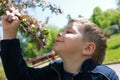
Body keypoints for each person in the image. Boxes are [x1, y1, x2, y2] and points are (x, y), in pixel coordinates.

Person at [0, 8, 119, 80]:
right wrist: (9, 33)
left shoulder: (104, 76)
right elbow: (19, 76)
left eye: (69, 31)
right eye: (62, 30)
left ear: (88, 48)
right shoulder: (51, 72)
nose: (59, 34)